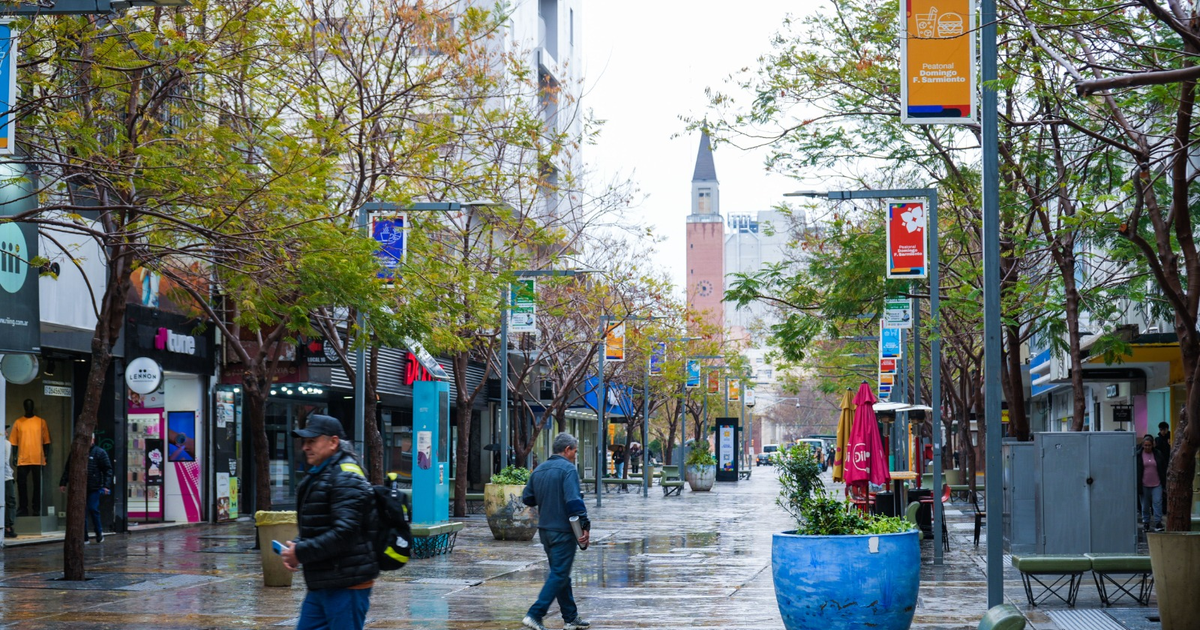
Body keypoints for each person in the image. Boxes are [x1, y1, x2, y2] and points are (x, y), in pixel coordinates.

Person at [280, 415, 378, 630]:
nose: (305, 447)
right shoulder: (322, 474)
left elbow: (346, 532)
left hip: (346, 583)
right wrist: (298, 546)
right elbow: (319, 523)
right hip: (324, 580)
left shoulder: (346, 476)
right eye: (304, 442)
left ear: (333, 442)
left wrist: (301, 552)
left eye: (312, 441)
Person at [520, 432, 590, 630]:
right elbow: (574, 501)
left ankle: (570, 616)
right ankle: (535, 614)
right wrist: (585, 527)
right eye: (575, 451)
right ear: (567, 450)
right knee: (559, 574)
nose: (575, 456)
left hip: (545, 531)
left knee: (561, 573)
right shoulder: (568, 470)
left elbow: (528, 498)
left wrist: (547, 495)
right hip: (563, 531)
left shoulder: (539, 470)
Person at [58, 433, 113, 543]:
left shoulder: (99, 452)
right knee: (82, 512)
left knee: (93, 509)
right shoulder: (76, 452)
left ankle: (99, 532)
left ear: (93, 440)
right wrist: (63, 482)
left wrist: (106, 485)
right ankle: (84, 536)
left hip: (94, 487)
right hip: (80, 488)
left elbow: (108, 470)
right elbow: (68, 468)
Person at [1136, 434, 1167, 532]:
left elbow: (1163, 467)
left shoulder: (1158, 454)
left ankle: (1158, 522)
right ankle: (1146, 522)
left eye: (1149, 445)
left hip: (1157, 484)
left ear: (1152, 445)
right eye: (1145, 445)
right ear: (1143, 445)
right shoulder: (1138, 455)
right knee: (1144, 505)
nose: (1147, 447)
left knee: (1157, 503)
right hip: (1144, 484)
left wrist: (1164, 482)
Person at [4, 426, 15, 538]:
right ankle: (8, 527)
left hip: (6, 476)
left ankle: (7, 526)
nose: (7, 433)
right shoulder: (6, 444)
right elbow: (6, 461)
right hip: (6, 477)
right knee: (10, 501)